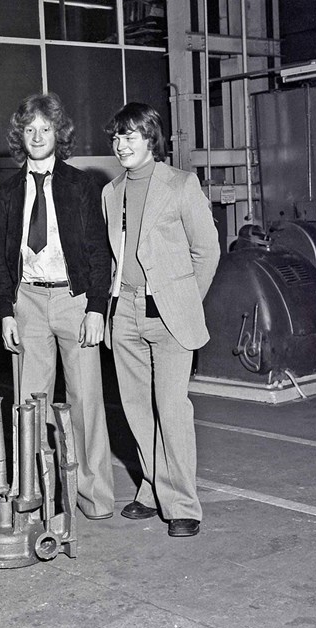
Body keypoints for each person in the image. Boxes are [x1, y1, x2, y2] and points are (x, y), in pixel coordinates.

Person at [0, 93, 115, 520]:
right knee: (30, 404)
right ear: (20, 137)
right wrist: (6, 310)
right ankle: (33, 494)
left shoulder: (81, 185)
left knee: (85, 402)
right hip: (27, 300)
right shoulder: (7, 194)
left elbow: (99, 252)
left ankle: (94, 496)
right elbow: (0, 259)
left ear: (58, 134)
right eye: (30, 130)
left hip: (73, 299)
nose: (38, 136)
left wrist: (97, 308)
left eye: (46, 129)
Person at [102, 102, 220, 537]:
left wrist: (183, 301)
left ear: (152, 139)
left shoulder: (181, 184)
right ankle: (152, 489)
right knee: (136, 410)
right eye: (116, 137)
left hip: (168, 313)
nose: (121, 144)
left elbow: (207, 251)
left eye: (130, 136)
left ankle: (183, 504)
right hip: (126, 310)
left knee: (171, 409)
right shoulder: (110, 193)